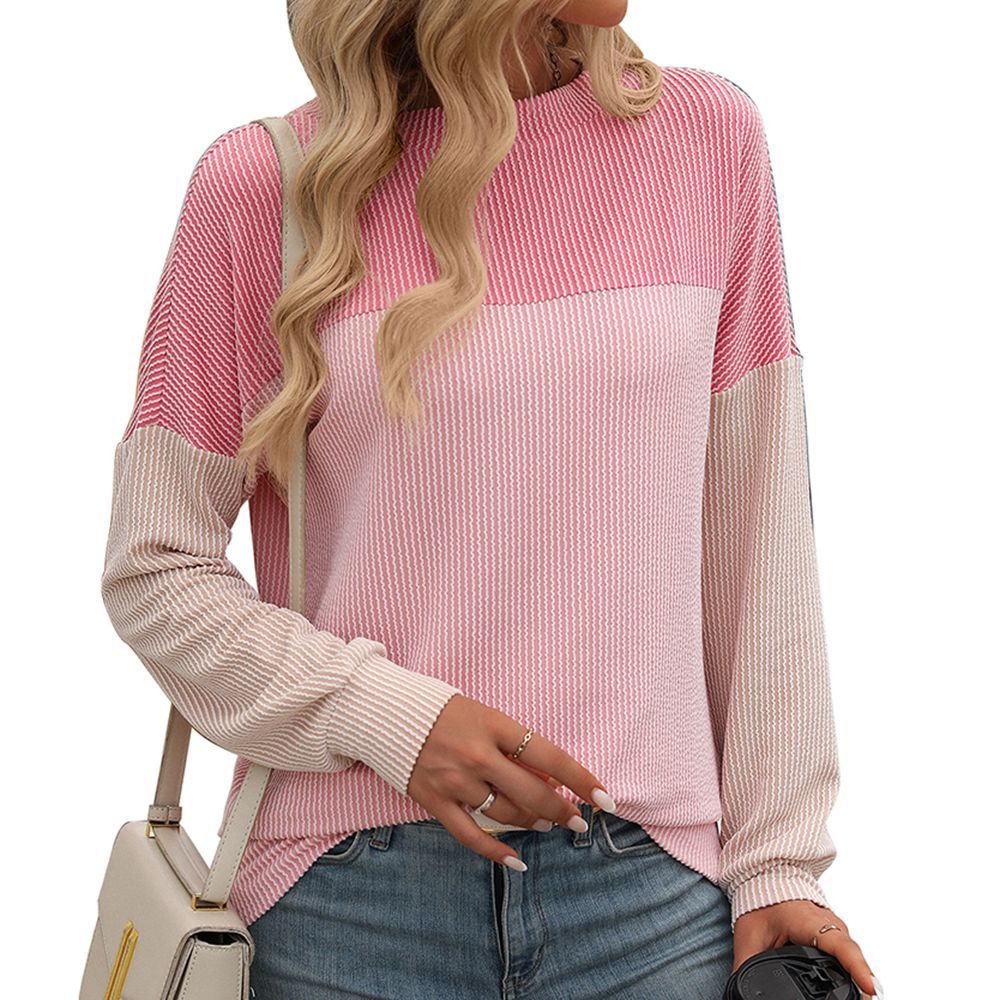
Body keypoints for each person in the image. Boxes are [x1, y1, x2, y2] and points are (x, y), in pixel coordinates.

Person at [99, 1, 882, 997]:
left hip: (654, 908)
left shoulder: (708, 141)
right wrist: (391, 716)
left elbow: (760, 536)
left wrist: (778, 860)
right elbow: (154, 565)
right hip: (347, 912)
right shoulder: (267, 188)